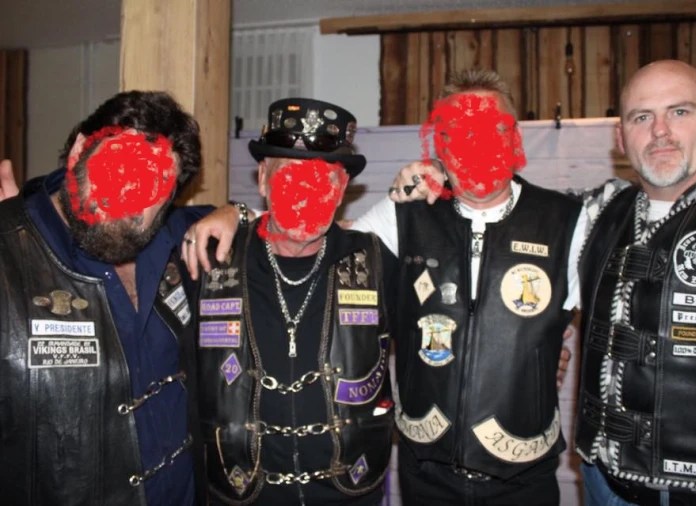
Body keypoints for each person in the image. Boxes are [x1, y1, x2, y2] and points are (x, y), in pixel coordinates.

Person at [183, 70, 580, 505]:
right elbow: (304, 227)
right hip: (422, 477)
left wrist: (540, 356)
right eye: (460, 132)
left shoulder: (568, 222)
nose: (305, 190)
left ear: (514, 137)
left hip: (517, 477)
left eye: (491, 130)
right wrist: (235, 213)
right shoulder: (396, 220)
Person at [0, 91, 211, 505]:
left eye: (154, 182)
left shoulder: (170, 238)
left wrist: (237, 213)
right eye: (119, 167)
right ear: (79, 149)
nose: (128, 200)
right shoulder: (10, 252)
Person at [191, 98, 397, 505]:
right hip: (241, 495)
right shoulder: (211, 259)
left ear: (341, 190)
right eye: (289, 174)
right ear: (263, 179)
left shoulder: (374, 260)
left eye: (322, 178)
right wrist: (231, 211)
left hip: (350, 494)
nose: (305, 191)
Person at [572, 59, 696, 506]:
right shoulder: (600, 210)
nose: (660, 131)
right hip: (599, 481)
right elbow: (514, 208)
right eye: (642, 117)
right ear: (621, 138)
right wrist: (437, 179)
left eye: (679, 111)